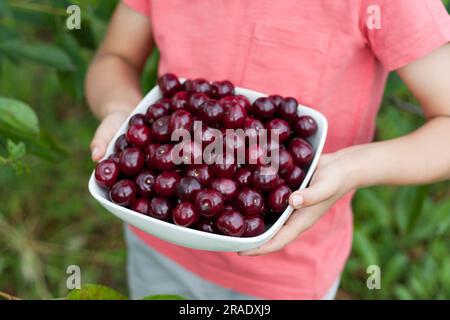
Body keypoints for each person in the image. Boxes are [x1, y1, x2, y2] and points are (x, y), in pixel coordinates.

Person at [86, 0, 450, 299]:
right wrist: (121, 113)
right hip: (158, 243)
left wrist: (353, 167)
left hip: (287, 275)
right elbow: (116, 56)